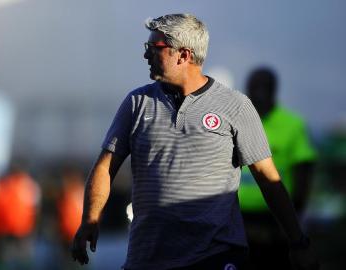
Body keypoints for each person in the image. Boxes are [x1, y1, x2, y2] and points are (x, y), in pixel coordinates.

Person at [71, 14, 319, 270]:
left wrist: (298, 242)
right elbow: (104, 168)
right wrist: (89, 219)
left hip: (216, 256)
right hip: (147, 258)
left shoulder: (235, 106)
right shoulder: (136, 103)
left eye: (153, 48)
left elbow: (268, 179)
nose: (146, 55)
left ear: (184, 55)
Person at [238, 67, 317, 269]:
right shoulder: (237, 121)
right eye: (254, 87)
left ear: (274, 90)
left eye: (264, 88)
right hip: (238, 219)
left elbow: (304, 171)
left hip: (276, 221)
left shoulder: (292, 124)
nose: (258, 93)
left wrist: (294, 217)